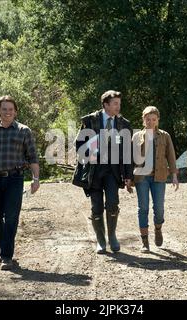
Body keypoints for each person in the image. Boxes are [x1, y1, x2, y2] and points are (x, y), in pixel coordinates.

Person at [0, 95, 40, 270]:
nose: (8, 112)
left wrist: (36, 179)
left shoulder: (23, 131)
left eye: (11, 109)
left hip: (15, 179)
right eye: (4, 109)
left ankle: (6, 256)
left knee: (11, 217)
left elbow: (32, 156)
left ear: (15, 111)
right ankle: (4, 245)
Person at [73, 90, 133, 254]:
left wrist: (128, 175)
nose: (118, 107)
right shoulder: (90, 121)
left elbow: (128, 151)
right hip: (94, 171)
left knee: (113, 203)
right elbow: (78, 145)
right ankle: (101, 239)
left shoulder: (123, 124)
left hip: (113, 171)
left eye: (119, 104)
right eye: (115, 104)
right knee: (96, 207)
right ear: (105, 105)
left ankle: (112, 236)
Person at [132, 106, 179, 252]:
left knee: (159, 208)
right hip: (141, 177)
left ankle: (158, 228)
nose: (150, 122)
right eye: (148, 119)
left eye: (153, 119)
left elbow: (171, 157)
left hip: (159, 177)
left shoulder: (165, 136)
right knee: (143, 208)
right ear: (143, 119)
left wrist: (174, 176)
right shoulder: (136, 136)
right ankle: (145, 242)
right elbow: (130, 159)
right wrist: (128, 178)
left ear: (158, 120)